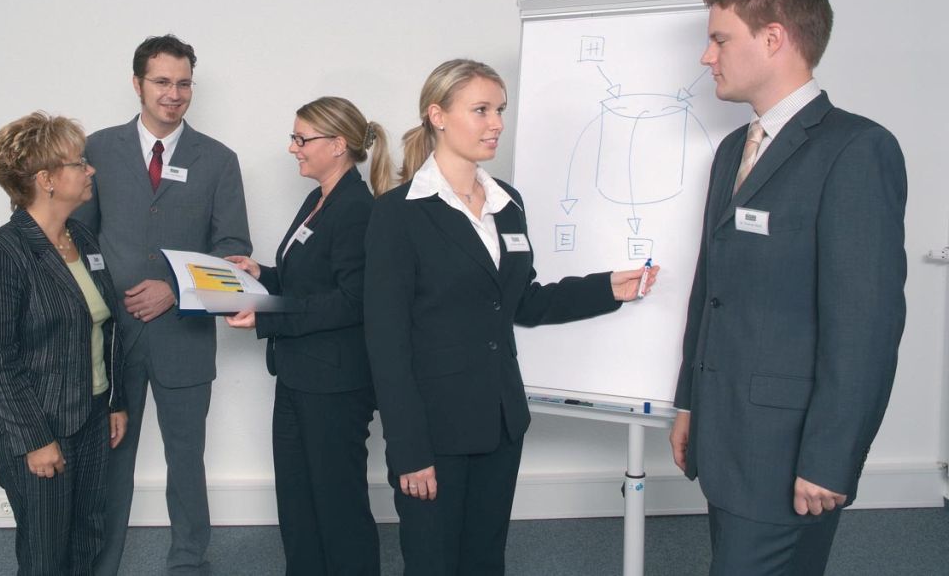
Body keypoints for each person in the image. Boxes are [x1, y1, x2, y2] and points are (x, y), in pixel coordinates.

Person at [364, 59, 658, 575]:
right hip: (435, 431)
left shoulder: (508, 203)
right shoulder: (398, 212)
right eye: (481, 110)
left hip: (501, 421)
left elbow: (522, 301)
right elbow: (386, 343)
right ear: (438, 115)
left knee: (485, 561)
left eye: (499, 109)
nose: (497, 123)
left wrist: (607, 288)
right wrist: (408, 449)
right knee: (433, 564)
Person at [668, 0, 907, 576]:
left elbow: (866, 327)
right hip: (725, 438)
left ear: (773, 38)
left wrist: (831, 458)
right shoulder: (732, 151)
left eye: (720, 39)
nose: (707, 56)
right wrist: (690, 403)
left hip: (790, 453)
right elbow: (711, 290)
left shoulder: (857, 150)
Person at [75, 34, 252, 575]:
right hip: (113, 339)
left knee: (186, 459)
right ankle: (101, 565)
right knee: (110, 460)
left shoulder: (218, 160)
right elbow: (78, 239)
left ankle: (188, 563)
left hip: (184, 338)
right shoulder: (96, 151)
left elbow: (233, 251)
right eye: (161, 82)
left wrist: (175, 288)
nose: (173, 94)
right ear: (137, 84)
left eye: (183, 83)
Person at [225, 96, 394, 575]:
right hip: (298, 376)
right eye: (293, 137)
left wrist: (266, 317)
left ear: (338, 145)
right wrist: (261, 274)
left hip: (335, 385)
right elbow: (308, 281)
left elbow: (351, 301)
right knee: (298, 505)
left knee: (338, 509)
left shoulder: (356, 208)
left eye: (302, 138)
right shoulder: (319, 199)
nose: (292, 147)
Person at [0, 111, 128, 574]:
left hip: (92, 417)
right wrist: (36, 440)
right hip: (39, 427)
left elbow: (105, 326)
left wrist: (114, 401)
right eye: (79, 163)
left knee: (87, 540)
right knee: (46, 556)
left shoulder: (82, 238)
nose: (90, 170)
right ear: (47, 180)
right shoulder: (0, 253)